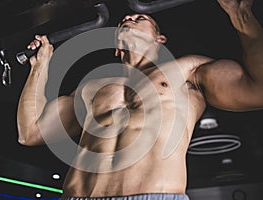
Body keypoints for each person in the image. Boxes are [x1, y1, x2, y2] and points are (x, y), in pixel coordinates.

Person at [17, 0, 263, 199]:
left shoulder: (189, 70)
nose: (127, 19)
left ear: (160, 39)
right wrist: (40, 67)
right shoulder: (91, 88)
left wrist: (241, 17)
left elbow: (258, 89)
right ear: (116, 47)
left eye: (139, 18)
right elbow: (30, 132)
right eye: (124, 20)